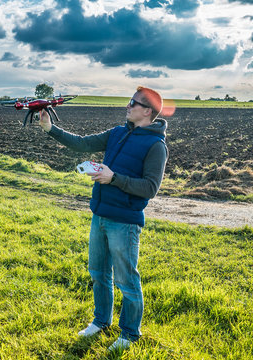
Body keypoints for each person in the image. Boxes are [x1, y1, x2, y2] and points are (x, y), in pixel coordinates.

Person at [39, 86, 169, 351]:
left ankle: (130, 334)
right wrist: (50, 128)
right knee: (98, 274)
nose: (127, 106)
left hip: (125, 222)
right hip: (100, 215)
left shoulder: (156, 146)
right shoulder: (118, 133)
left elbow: (150, 188)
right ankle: (101, 321)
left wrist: (114, 179)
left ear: (147, 111)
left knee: (126, 280)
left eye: (133, 103)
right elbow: (82, 143)